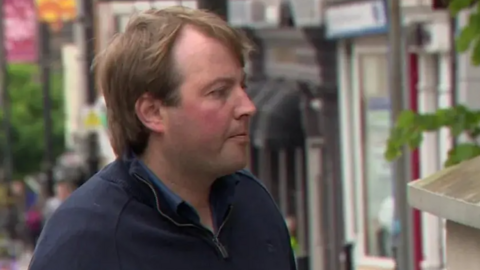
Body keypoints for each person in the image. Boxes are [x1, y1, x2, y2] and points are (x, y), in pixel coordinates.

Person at [29, 7, 296, 270]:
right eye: (218, 92)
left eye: (242, 86)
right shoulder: (85, 240)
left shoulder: (253, 201)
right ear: (152, 112)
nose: (247, 107)